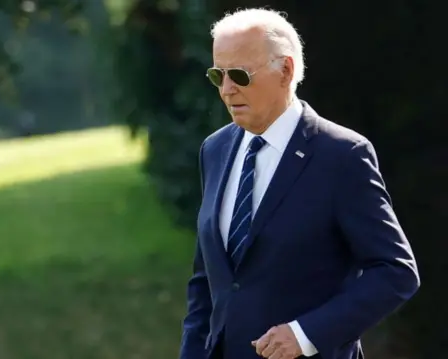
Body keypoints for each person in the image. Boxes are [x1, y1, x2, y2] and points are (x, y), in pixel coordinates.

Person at [179, 8, 420, 359]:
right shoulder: (214, 150)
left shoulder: (342, 155)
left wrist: (306, 334)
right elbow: (206, 283)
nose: (227, 90)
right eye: (218, 75)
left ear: (286, 70)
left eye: (240, 75)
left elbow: (396, 271)